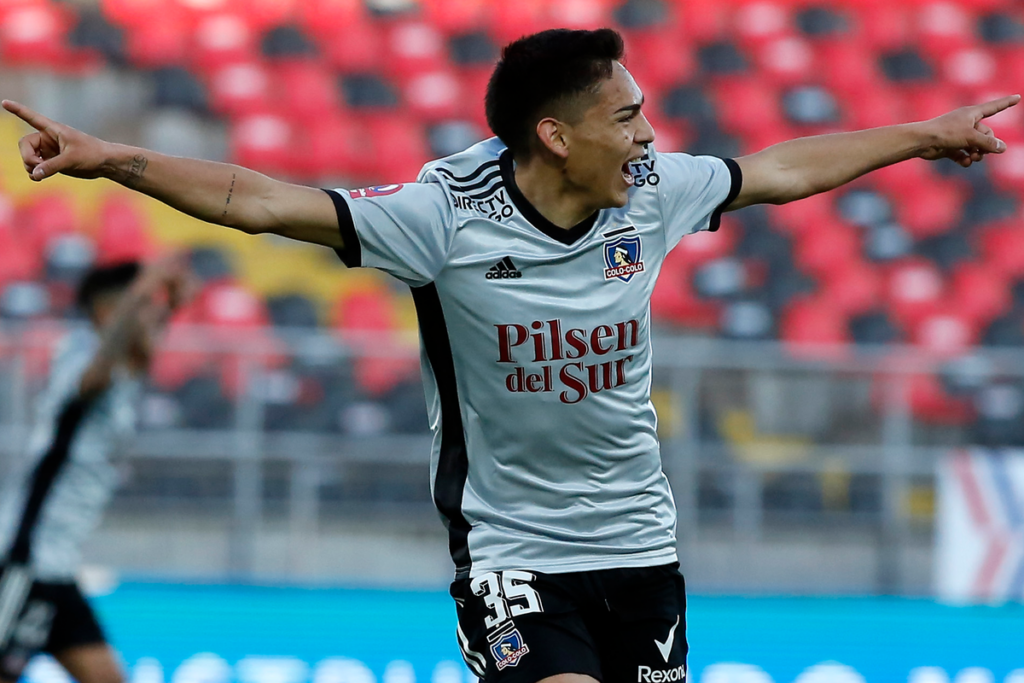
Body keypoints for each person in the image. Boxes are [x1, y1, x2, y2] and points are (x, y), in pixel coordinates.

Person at [3, 26, 1017, 683]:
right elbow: (255, 200)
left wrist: (922, 134)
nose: (648, 134)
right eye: (626, 117)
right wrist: (112, 158)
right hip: (513, 549)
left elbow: (780, 168)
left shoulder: (655, 192)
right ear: (556, 135)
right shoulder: (440, 217)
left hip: (639, 544)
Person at [0, 257, 189, 683]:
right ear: (110, 312)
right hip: (23, 561)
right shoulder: (81, 354)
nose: (152, 317)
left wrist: (171, 305)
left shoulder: (126, 369)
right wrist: (144, 289)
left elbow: (136, 349)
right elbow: (94, 377)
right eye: (143, 307)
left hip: (57, 568)